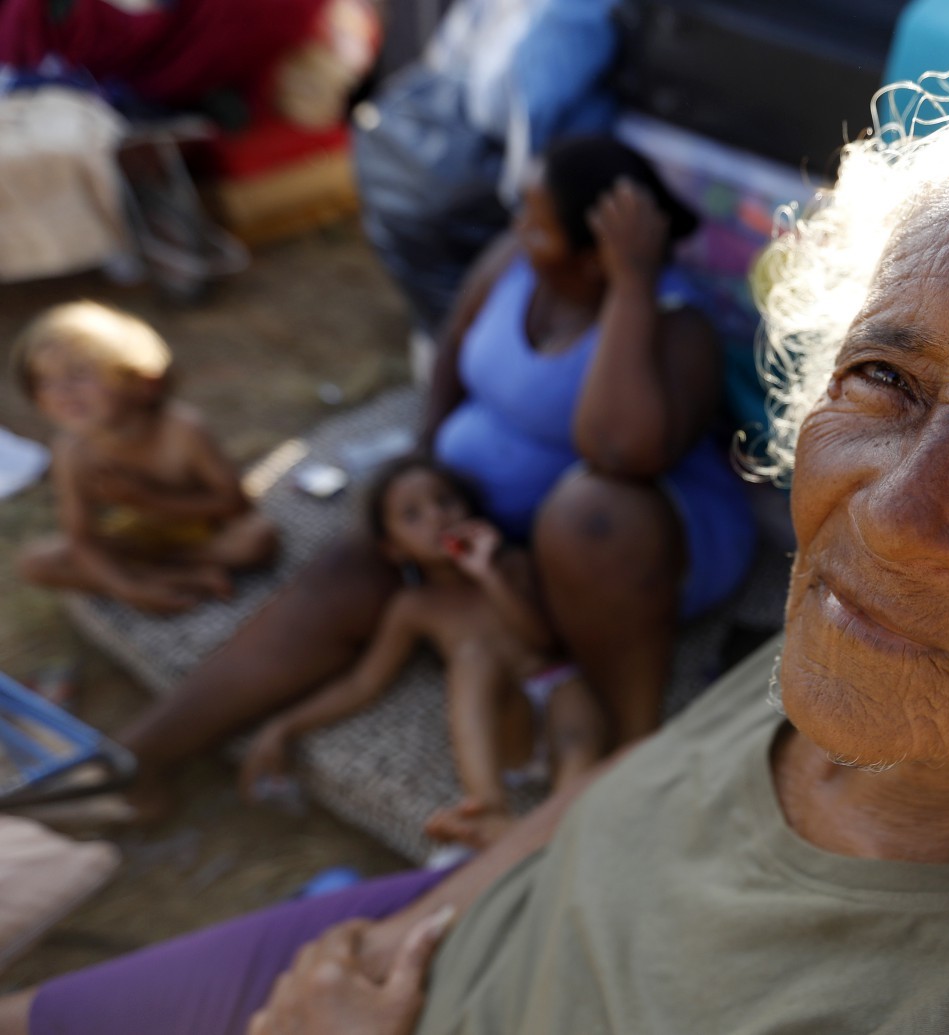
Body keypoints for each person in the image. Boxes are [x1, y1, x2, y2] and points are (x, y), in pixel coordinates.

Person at [1, 82, 949, 1034]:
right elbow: (637, 784)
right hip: (437, 945)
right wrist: (436, 910)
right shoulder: (887, 665)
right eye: (885, 377)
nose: (887, 512)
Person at [115, 135, 757, 817]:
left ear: (597, 254)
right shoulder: (516, 264)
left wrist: (631, 283)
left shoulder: (670, 321)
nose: (518, 231)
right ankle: (136, 759)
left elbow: (621, 452)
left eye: (537, 224)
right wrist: (418, 476)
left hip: (620, 553)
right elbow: (453, 353)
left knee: (589, 510)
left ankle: (625, 751)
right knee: (348, 569)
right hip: (482, 537)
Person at [238, 456, 605, 847]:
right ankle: (488, 807)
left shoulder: (510, 565)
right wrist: (286, 725)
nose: (436, 518)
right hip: (510, 725)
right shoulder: (416, 607)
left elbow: (543, 643)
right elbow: (363, 683)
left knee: (572, 699)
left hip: (559, 699)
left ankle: (562, 815)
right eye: (412, 515)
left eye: (445, 502)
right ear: (394, 549)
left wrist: (488, 576)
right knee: (473, 657)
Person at [14, 300, 278, 614]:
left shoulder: (183, 430)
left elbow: (236, 504)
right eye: (46, 381)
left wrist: (144, 498)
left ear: (142, 381)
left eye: (79, 374)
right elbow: (82, 538)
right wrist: (126, 588)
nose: (62, 392)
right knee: (35, 562)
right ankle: (184, 578)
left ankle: (172, 572)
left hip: (204, 532)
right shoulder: (71, 450)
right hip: (141, 538)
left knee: (257, 539)